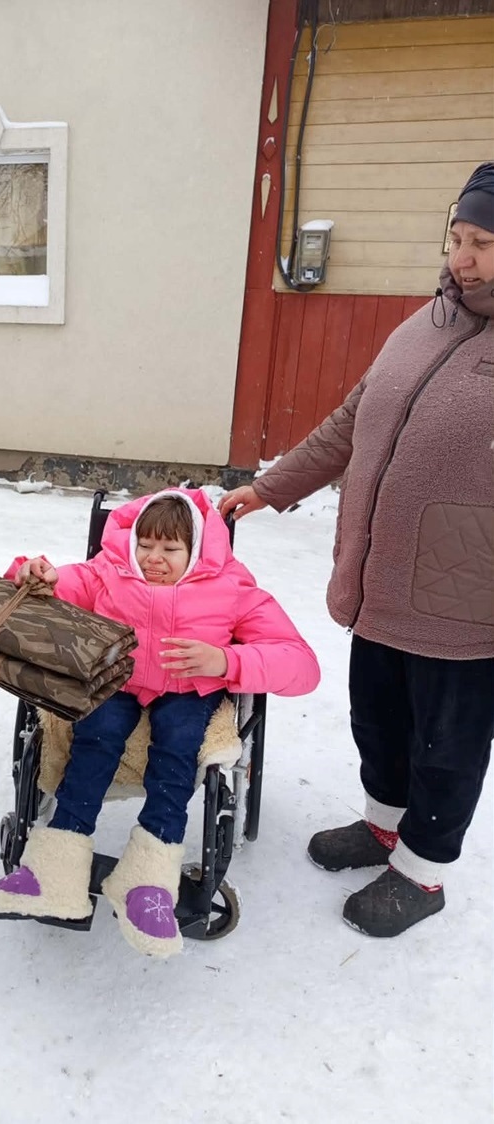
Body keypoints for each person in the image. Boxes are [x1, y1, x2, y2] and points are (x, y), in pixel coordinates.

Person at [220, 162, 494, 941]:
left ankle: (422, 870)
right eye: (456, 236)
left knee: (449, 746)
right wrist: (269, 487)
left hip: (467, 603)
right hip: (381, 581)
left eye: (480, 244)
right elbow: (352, 419)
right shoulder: (426, 322)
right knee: (378, 721)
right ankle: (382, 826)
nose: (459, 258)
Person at [0, 489, 320, 957]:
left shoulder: (231, 589)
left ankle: (147, 880)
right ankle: (55, 866)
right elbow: (54, 584)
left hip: (186, 690)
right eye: (146, 545)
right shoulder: (108, 572)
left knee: (176, 751)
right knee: (95, 736)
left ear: (195, 549)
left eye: (170, 549)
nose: (154, 559)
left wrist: (224, 659)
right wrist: (32, 572)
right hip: (118, 680)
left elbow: (300, 664)